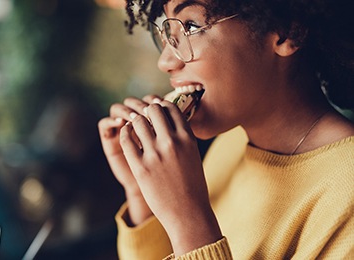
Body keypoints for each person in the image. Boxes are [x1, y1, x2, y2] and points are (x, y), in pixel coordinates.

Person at [97, 0, 354, 259]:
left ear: (287, 31)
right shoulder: (229, 143)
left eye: (191, 26)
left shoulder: (347, 190)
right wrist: (143, 197)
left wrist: (189, 220)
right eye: (167, 33)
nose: (165, 62)